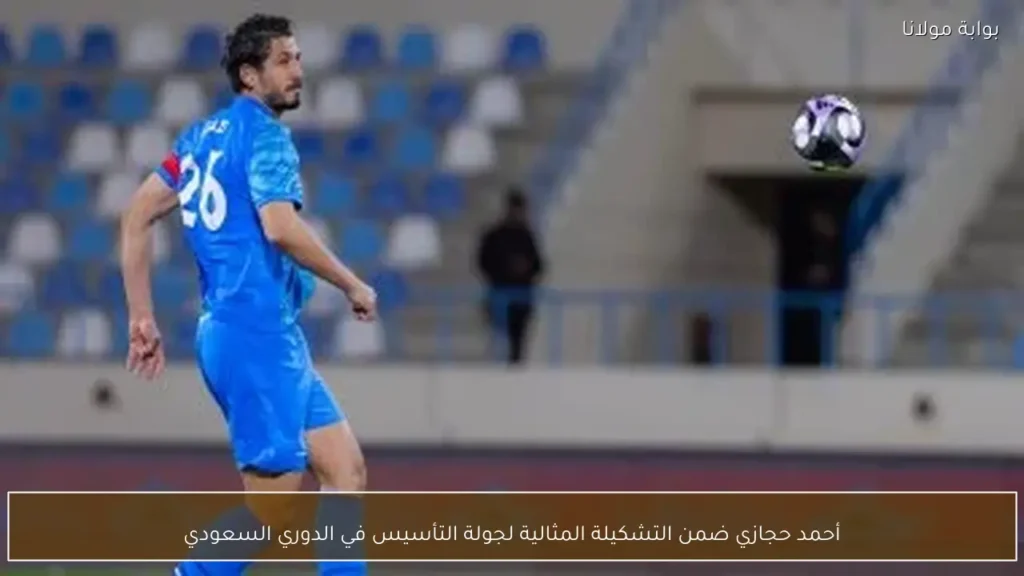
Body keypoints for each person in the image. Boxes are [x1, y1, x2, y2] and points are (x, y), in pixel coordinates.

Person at [118, 14, 375, 576]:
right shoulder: (265, 137)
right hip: (253, 336)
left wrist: (142, 316)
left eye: (298, 58)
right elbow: (280, 227)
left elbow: (137, 215)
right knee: (272, 507)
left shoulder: (198, 140)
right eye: (283, 61)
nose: (297, 71)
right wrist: (351, 283)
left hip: (259, 333)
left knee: (345, 470)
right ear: (249, 76)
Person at [476, 188, 545, 364]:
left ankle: (514, 365)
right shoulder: (494, 236)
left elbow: (538, 266)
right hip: (500, 293)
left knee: (517, 341)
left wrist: (523, 270)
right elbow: (483, 262)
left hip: (521, 297)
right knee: (499, 337)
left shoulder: (527, 237)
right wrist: (503, 272)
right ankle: (499, 364)